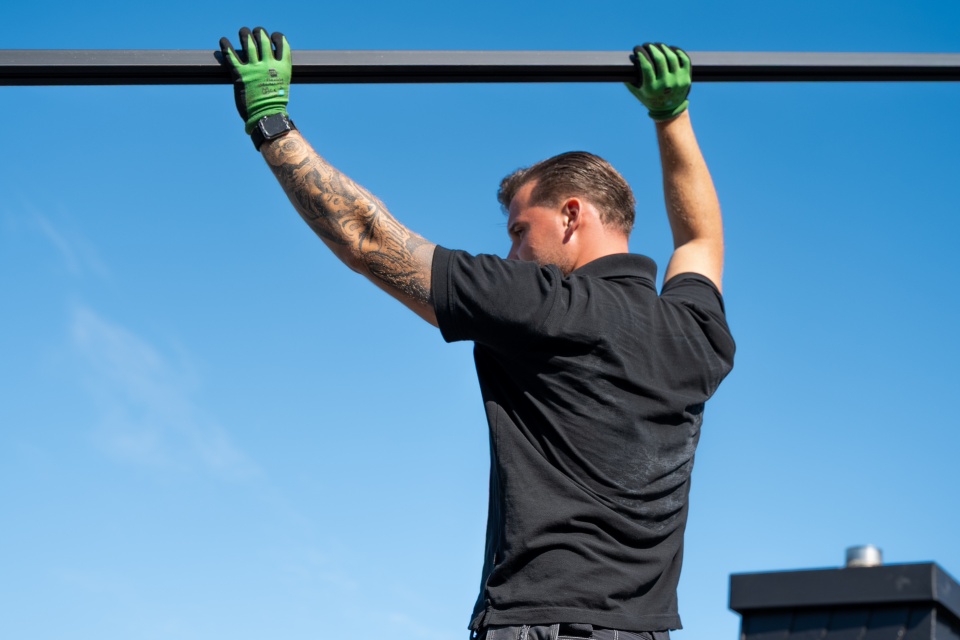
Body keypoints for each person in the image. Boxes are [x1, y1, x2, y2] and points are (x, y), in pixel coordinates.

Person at [219, 28, 735, 640]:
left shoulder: (543, 302)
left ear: (572, 214)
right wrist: (673, 116)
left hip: (543, 627)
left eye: (521, 229)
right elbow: (699, 240)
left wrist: (272, 126)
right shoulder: (692, 330)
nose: (512, 251)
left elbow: (367, 237)